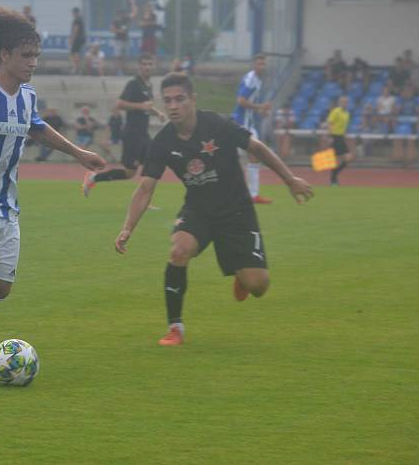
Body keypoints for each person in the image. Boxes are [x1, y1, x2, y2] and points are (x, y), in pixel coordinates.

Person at [0, 3, 106, 373]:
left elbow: (37, 128)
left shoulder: (26, 96)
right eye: (26, 56)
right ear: (5, 54)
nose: (33, 63)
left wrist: (77, 153)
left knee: (1, 288)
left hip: (5, 204)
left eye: (36, 56)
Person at [114, 72, 314, 346]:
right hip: (199, 210)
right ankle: (175, 328)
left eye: (179, 99)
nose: (173, 106)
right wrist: (127, 228)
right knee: (178, 250)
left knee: (258, 286)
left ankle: (242, 278)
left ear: (193, 100)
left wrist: (290, 179)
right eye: (168, 100)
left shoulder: (217, 125)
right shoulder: (162, 142)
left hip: (237, 212)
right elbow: (146, 188)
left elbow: (257, 147)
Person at [82, 54, 165, 196]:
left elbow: (146, 107)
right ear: (139, 66)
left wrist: (157, 113)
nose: (147, 67)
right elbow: (119, 104)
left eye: (150, 64)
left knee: (152, 165)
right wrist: (141, 106)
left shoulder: (148, 85)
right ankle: (94, 177)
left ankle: (144, 198)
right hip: (132, 134)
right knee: (129, 173)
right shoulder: (134, 83)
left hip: (143, 134)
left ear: (154, 66)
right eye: (144, 64)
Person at [232, 53, 273, 204]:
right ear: (254, 65)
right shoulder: (250, 79)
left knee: (254, 156)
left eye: (263, 64)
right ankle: (250, 194)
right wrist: (260, 106)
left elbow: (248, 104)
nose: (262, 66)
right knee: (248, 157)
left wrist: (260, 111)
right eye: (259, 64)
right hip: (242, 123)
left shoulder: (258, 80)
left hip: (248, 124)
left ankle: (253, 195)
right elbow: (241, 101)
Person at [327, 96, 352, 185]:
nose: (345, 104)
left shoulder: (347, 113)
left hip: (341, 137)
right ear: (340, 103)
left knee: (348, 158)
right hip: (335, 136)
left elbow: (344, 126)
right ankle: (333, 179)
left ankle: (334, 175)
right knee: (337, 159)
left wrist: (344, 135)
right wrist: (330, 136)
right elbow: (330, 123)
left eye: (346, 102)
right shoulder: (336, 111)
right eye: (343, 102)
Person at [110, 0, 137, 76]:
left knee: (124, 56)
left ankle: (123, 71)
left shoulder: (126, 19)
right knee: (118, 56)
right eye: (119, 14)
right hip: (118, 40)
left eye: (121, 14)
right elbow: (111, 29)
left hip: (125, 39)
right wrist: (119, 31)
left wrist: (133, 3)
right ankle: (117, 71)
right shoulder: (115, 21)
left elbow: (134, 13)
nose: (120, 15)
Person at [68, 7, 86, 74]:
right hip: (81, 39)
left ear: (76, 13)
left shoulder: (77, 20)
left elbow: (75, 30)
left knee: (74, 53)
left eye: (73, 12)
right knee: (77, 54)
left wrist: (71, 39)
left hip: (77, 39)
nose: (73, 14)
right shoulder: (80, 19)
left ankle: (76, 68)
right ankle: (77, 68)